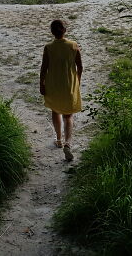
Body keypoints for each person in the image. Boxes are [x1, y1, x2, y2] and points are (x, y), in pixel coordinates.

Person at [39, 19, 83, 161]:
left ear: (52, 32)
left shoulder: (48, 47)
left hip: (53, 85)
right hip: (69, 85)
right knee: (68, 115)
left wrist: (41, 84)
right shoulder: (73, 45)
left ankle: (58, 140)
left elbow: (44, 68)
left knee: (55, 110)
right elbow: (80, 67)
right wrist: (77, 81)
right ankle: (68, 143)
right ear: (65, 30)